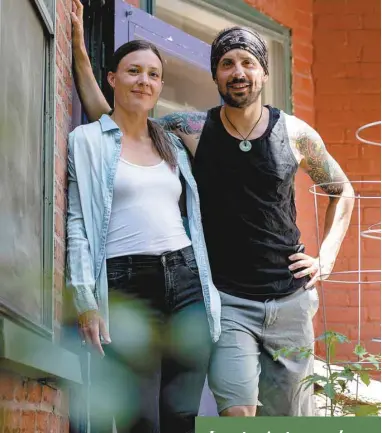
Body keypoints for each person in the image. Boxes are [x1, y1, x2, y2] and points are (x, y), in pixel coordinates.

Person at [71, 0, 355, 417]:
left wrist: (326, 259)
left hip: (291, 300)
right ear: (216, 75)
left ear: (263, 72)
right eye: (226, 63)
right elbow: (117, 122)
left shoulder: (295, 133)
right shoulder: (192, 131)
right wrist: (79, 51)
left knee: (292, 418)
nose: (238, 72)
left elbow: (342, 190)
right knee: (238, 414)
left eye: (247, 62)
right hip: (229, 298)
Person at [66, 38, 221, 433]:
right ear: (112, 79)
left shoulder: (171, 143)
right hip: (125, 285)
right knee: (140, 419)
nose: (143, 81)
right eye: (134, 71)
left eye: (153, 75)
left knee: (182, 416)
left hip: (186, 283)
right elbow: (77, 225)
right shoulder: (86, 142)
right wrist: (86, 301)